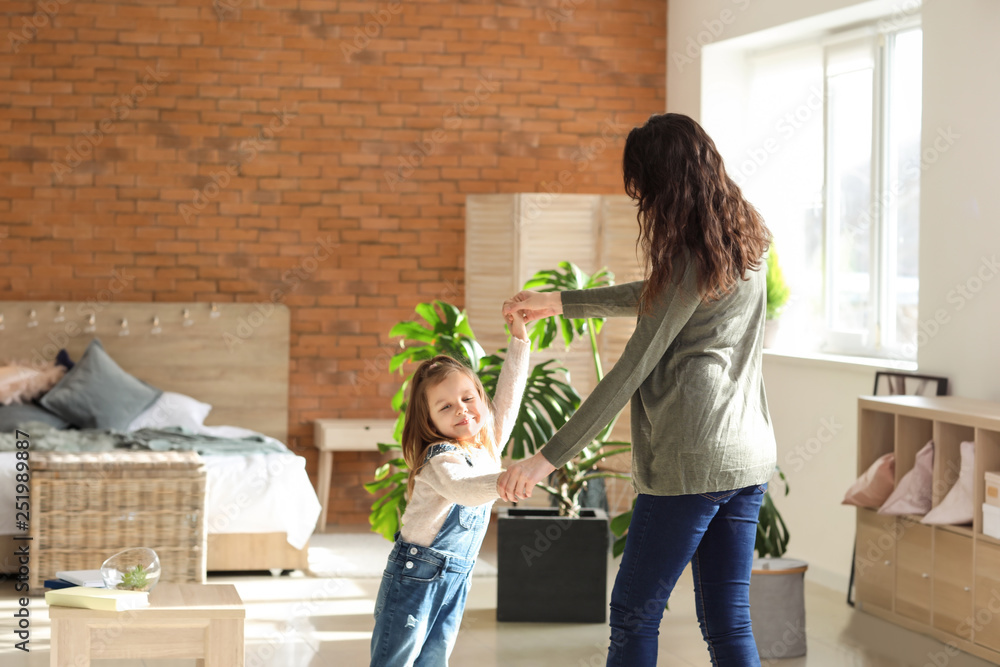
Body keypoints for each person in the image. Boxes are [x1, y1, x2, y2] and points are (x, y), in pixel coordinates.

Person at [497, 112, 777, 667]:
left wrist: (544, 460)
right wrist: (561, 301)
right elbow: (660, 294)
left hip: (690, 458)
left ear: (666, 184)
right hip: (747, 456)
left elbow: (629, 369)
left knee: (633, 611)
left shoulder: (693, 253)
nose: (643, 202)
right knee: (728, 618)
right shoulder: (744, 234)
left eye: (645, 189)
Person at [370, 311, 530, 666]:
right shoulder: (439, 459)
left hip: (456, 578)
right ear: (430, 420)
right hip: (415, 576)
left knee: (434, 660)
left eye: (468, 398)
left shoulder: (486, 447)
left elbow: (509, 398)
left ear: (480, 399)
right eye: (445, 406)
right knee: (395, 660)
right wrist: (501, 483)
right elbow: (463, 489)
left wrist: (519, 341)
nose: (462, 409)